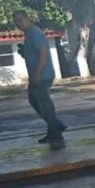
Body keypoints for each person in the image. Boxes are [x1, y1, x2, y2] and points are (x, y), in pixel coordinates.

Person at [12, 11, 66, 145]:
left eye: (20, 20)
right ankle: (54, 127)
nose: (18, 24)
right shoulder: (29, 34)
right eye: (16, 22)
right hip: (37, 74)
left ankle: (56, 132)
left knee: (43, 103)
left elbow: (43, 53)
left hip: (42, 75)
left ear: (27, 18)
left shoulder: (35, 33)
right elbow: (34, 54)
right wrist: (25, 53)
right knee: (36, 100)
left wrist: (37, 73)